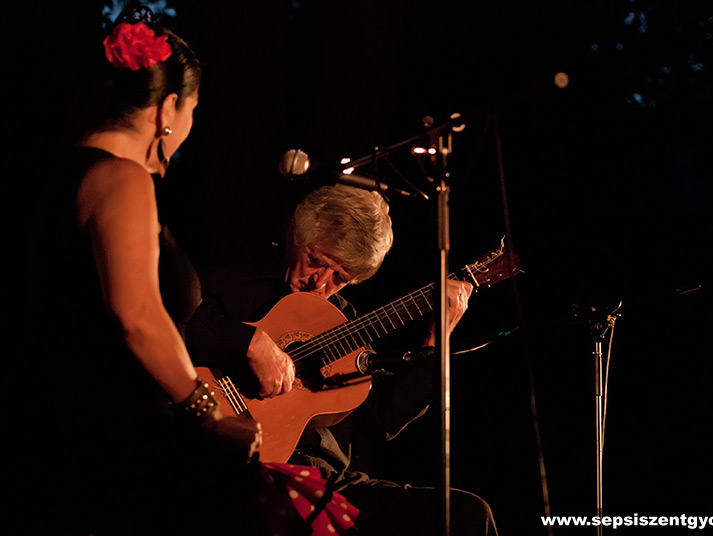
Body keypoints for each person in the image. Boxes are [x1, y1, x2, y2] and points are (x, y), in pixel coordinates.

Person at [19, 9, 356, 535]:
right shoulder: (122, 178)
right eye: (194, 109)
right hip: (111, 453)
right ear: (169, 108)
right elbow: (138, 314)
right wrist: (210, 417)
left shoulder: (60, 173)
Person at [185, 184, 500, 535]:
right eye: (317, 262)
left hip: (325, 479)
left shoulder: (346, 325)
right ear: (295, 234)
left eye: (341, 278)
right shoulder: (238, 282)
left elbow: (384, 418)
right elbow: (172, 321)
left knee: (467, 514)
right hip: (237, 467)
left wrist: (435, 338)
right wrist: (251, 343)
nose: (320, 284)